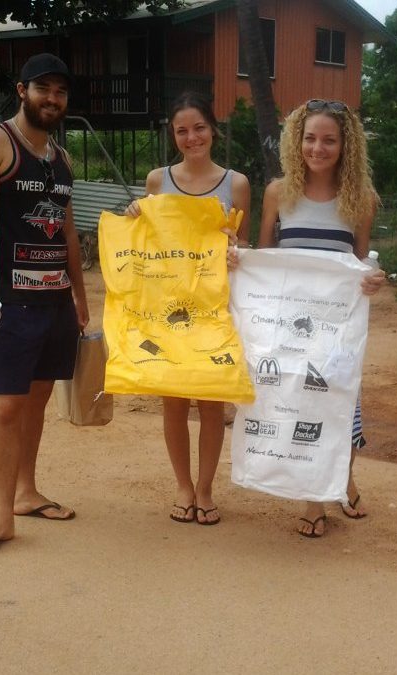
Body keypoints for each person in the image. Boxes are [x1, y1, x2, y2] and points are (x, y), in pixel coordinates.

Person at [0, 53, 89, 560]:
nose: (53, 99)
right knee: (8, 406)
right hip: (8, 304)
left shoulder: (61, 158)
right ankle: (0, 516)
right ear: (21, 90)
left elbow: (68, 232)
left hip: (54, 305)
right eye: (43, 88)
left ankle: (26, 493)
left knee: (38, 400)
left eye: (61, 92)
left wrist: (79, 294)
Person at [256, 99, 385, 538]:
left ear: (345, 145)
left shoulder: (361, 199)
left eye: (329, 139)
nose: (318, 147)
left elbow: (362, 261)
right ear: (297, 141)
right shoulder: (278, 193)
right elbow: (265, 260)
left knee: (343, 405)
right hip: (290, 324)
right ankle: (323, 491)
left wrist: (372, 279)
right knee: (300, 404)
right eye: (310, 138)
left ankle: (332, 487)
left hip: (337, 327)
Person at [125, 92, 250, 525]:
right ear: (172, 134)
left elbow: (241, 246)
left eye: (199, 127)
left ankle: (206, 489)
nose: (192, 137)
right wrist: (134, 217)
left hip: (214, 308)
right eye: (182, 130)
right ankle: (183, 486)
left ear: (212, 129)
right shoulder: (157, 180)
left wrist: (236, 250)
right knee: (174, 401)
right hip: (168, 308)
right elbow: (146, 243)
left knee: (211, 403)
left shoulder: (236, 183)